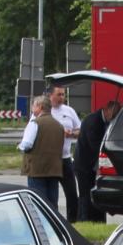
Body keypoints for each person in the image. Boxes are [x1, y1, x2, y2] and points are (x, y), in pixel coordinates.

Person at [74, 98, 119, 222]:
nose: (114, 118)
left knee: (96, 194)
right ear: (106, 110)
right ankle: (83, 220)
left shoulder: (105, 121)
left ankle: (98, 220)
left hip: (94, 165)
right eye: (113, 115)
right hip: (84, 165)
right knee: (85, 195)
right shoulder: (92, 121)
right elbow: (96, 147)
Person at [19, 95, 65, 210]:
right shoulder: (59, 125)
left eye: (33, 105)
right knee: (52, 203)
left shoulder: (35, 123)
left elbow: (27, 144)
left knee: (38, 203)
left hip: (37, 170)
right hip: (54, 169)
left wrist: (19, 146)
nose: (31, 108)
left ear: (40, 106)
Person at [49, 84, 81, 221]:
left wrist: (72, 134)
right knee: (51, 194)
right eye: (59, 94)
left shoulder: (69, 111)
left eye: (63, 94)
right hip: (50, 159)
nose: (62, 97)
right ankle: (53, 221)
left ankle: (72, 222)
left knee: (72, 193)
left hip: (65, 158)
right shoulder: (45, 111)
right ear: (50, 96)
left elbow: (80, 130)